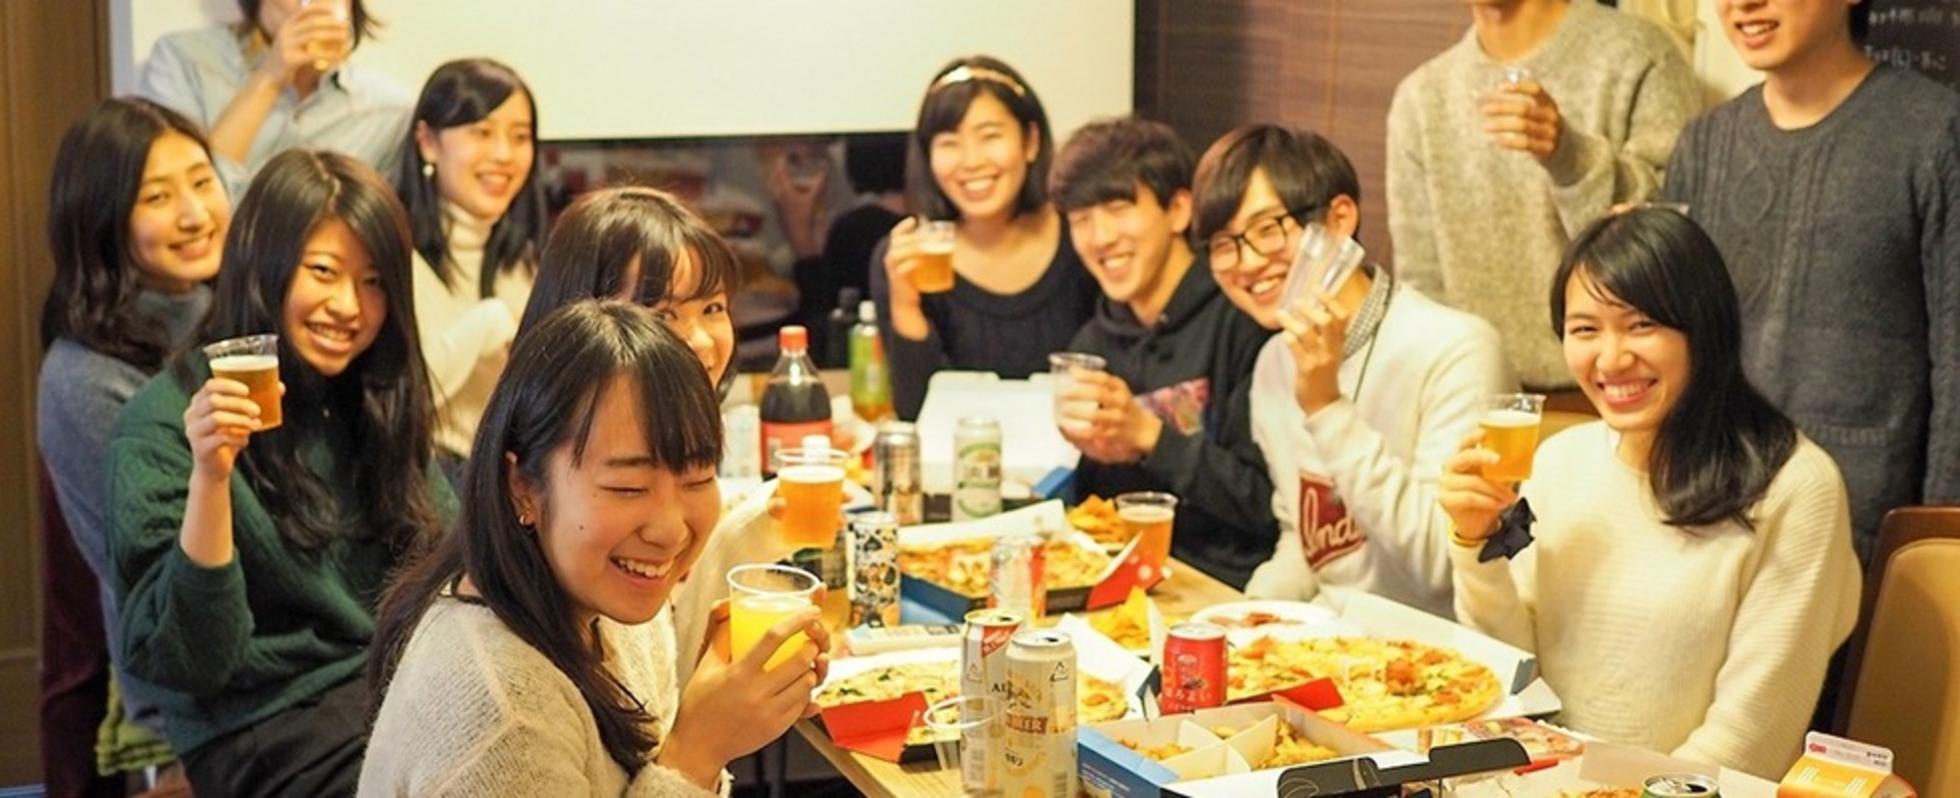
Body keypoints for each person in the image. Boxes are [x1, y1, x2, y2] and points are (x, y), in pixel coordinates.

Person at [1440, 208, 1860, 777]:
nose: (1611, 359)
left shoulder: (1795, 487)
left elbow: (1751, 738)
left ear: (1704, 329)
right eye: (1585, 330)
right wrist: (1476, 545)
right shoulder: (1560, 462)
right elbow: (1510, 681)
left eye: (1641, 326)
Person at [362, 301, 826, 795]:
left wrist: (715, 697)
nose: (669, 530)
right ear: (523, 487)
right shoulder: (500, 712)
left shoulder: (607, 604)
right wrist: (698, 751)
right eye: (628, 488)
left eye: (697, 479)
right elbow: (673, 764)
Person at [106, 149, 452, 796]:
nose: (349, 305)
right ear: (263, 264)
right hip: (258, 718)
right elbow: (192, 660)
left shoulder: (370, 393)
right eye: (324, 271)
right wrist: (212, 478)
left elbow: (442, 557)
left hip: (389, 685)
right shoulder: (162, 424)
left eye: (374, 282)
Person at [1659, 0, 1960, 563]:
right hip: (1712, 516)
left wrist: (1938, 540)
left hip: (1862, 525)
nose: (1743, 5)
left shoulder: (1936, 133)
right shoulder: (1704, 144)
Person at [1192, 125, 1513, 618]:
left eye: (1267, 229)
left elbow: (1442, 566)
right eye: (1223, 244)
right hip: (1327, 640)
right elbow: (1306, 540)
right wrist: (1242, 616)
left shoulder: (1457, 349)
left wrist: (1326, 407)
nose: (1247, 262)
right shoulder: (1274, 361)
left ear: (1339, 219)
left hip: (1440, 647)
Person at [518, 186, 799, 682]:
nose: (701, 341)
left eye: (713, 308)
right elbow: (657, 700)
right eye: (664, 314)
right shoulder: (558, 463)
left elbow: (658, 681)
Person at [37, 97, 231, 796]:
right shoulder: (84, 377)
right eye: (158, 196)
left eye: (203, 181)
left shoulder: (234, 316)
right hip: (191, 678)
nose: (195, 213)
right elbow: (149, 571)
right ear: (102, 218)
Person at [1387, 0, 1699, 394]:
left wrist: (1569, 155)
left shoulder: (1639, 54)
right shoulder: (1421, 96)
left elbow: (1671, 240)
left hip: (1617, 388)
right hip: (1471, 395)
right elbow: (1422, 282)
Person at [1045, 116, 1275, 589]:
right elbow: (1099, 519)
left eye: (1118, 208)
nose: (1100, 237)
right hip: (1127, 584)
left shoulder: (1241, 317)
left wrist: (1150, 436)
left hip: (1231, 587)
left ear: (1178, 210)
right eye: (1081, 219)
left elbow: (1268, 505)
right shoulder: (1092, 344)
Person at [870, 55, 1097, 419]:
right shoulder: (910, 255)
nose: (971, 161)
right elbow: (915, 412)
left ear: (1030, 141)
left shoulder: (1084, 237)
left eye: (990, 136)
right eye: (949, 142)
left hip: (1078, 450)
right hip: (961, 453)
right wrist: (905, 306)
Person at [397, 58, 545, 472]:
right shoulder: (393, 254)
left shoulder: (525, 259)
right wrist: (490, 322)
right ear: (427, 142)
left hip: (517, 480)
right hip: (430, 479)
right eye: (482, 133)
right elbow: (400, 399)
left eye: (520, 137)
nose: (503, 155)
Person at [138, 0, 410, 197]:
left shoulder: (386, 111)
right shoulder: (184, 61)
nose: (314, 6)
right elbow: (185, 198)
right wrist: (269, 78)